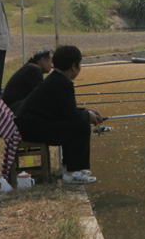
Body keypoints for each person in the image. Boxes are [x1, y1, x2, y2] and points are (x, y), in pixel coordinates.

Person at [15, 44, 103, 184]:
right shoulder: (62, 83)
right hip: (32, 129)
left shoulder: (56, 79)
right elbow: (72, 116)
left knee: (76, 123)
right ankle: (72, 172)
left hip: (30, 126)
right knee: (82, 127)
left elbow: (66, 110)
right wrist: (88, 117)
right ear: (73, 66)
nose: (80, 67)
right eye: (79, 64)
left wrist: (86, 111)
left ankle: (69, 167)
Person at [0, 48, 53, 112]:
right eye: (51, 62)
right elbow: (40, 95)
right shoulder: (35, 69)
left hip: (9, 105)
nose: (52, 65)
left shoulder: (30, 67)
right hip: (12, 107)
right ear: (43, 60)